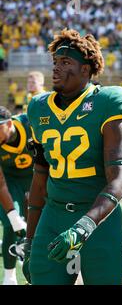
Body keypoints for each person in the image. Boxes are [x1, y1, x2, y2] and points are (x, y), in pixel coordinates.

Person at [25, 28, 122, 285]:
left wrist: (84, 226)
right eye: (55, 62)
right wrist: (30, 239)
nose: (56, 69)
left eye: (65, 63)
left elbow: (119, 181)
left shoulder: (108, 101)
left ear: (86, 69)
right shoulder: (39, 107)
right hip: (54, 216)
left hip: (98, 219)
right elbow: (40, 176)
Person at [0, 106, 32, 284]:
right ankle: (9, 277)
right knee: (11, 224)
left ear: (9, 124)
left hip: (37, 176)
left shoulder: (30, 123)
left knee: (44, 222)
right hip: (9, 182)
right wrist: (13, 215)